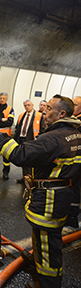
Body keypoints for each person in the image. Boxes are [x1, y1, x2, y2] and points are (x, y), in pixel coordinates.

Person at [0, 94, 81, 288]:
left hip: (49, 201)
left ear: (62, 113)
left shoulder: (54, 138)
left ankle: (47, 284)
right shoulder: (76, 135)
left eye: (50, 108)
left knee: (47, 248)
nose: (44, 111)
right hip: (62, 196)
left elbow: (20, 155)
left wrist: (0, 136)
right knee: (48, 243)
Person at [14, 99, 45, 183]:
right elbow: (18, 128)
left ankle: (31, 179)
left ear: (32, 105)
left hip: (32, 141)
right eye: (25, 105)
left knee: (30, 161)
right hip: (22, 139)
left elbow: (43, 129)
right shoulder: (21, 115)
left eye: (28, 105)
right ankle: (25, 178)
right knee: (23, 160)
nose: (27, 107)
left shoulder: (39, 116)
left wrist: (38, 139)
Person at [64, 96, 81, 228]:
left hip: (77, 162)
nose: (72, 107)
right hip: (73, 161)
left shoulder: (78, 123)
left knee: (74, 188)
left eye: (74, 104)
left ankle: (72, 219)